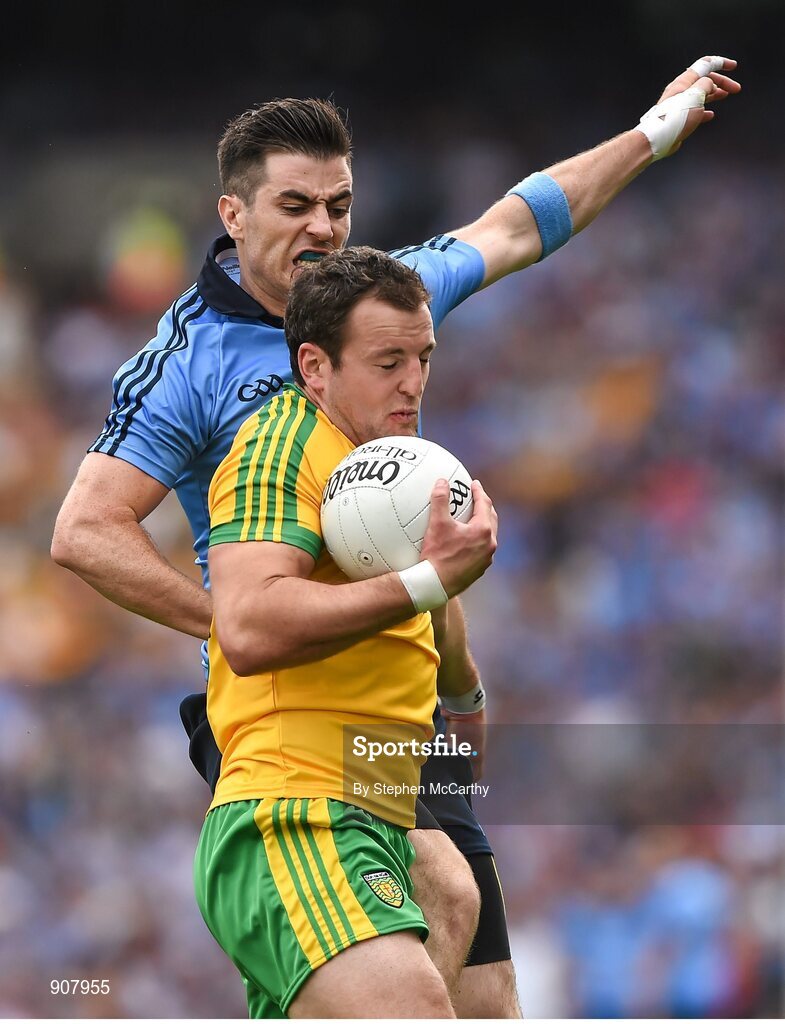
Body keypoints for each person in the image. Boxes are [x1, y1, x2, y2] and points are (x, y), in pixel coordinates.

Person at [51, 54, 741, 1016]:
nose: (323, 228)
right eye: (295, 204)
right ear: (232, 215)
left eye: (337, 204)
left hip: (401, 688)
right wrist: (234, 619)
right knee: (407, 972)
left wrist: (653, 131)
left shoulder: (382, 296)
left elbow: (516, 223)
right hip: (295, 706)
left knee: (488, 990)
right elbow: (86, 531)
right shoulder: (186, 366)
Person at [198, 244, 497, 1017]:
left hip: (372, 798)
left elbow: (424, 584)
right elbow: (250, 626)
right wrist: (429, 578)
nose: (413, 382)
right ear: (315, 366)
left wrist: (461, 692)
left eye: (423, 357)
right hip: (293, 809)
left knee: (453, 896)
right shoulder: (280, 446)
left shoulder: (390, 457)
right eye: (387, 360)